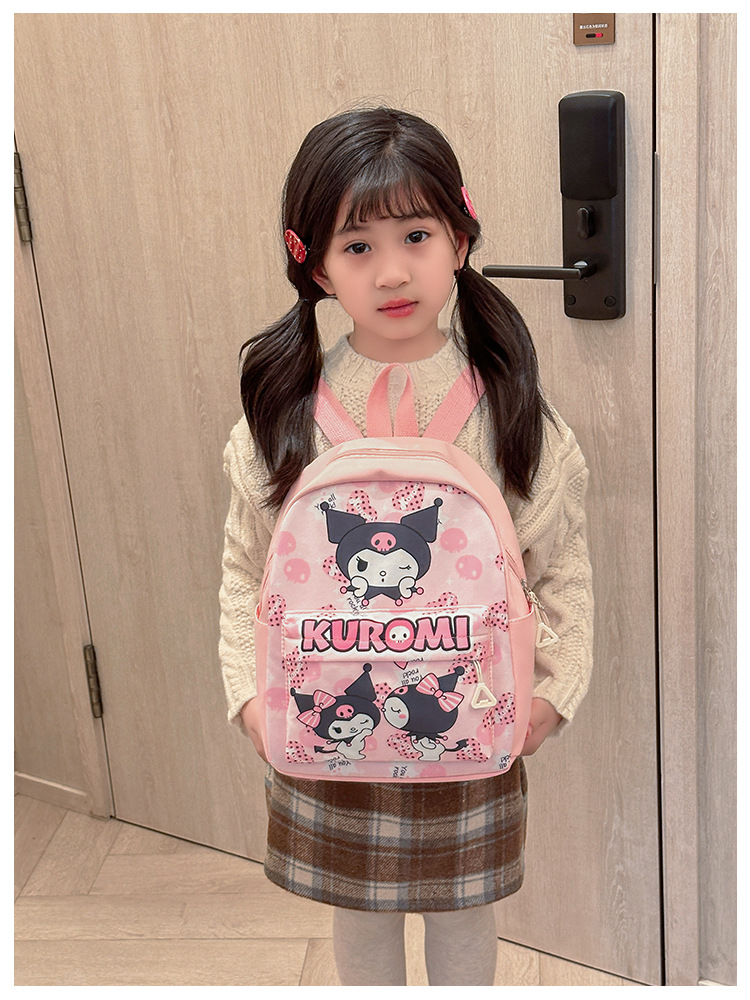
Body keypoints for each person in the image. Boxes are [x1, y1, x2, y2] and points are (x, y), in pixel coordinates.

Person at [219, 106, 593, 987]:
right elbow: (245, 568)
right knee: (358, 916)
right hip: (327, 717)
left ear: (459, 239)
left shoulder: (508, 407)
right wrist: (249, 696)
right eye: (357, 246)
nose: (392, 271)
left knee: (465, 913)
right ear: (314, 264)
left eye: (416, 236)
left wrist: (556, 687)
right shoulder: (288, 411)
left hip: (468, 714)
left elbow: (562, 564)